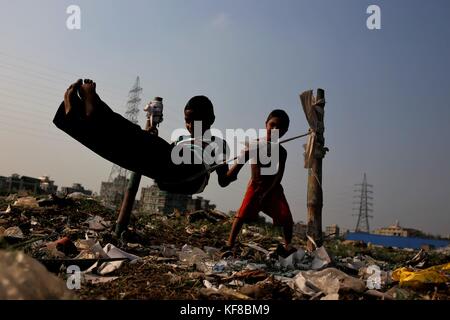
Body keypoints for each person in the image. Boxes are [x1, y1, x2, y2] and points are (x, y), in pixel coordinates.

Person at [53, 79, 235, 194]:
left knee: (147, 145)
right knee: (122, 150)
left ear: (211, 119)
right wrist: (150, 124)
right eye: (188, 121)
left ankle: (96, 110)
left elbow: (224, 180)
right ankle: (75, 120)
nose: (190, 126)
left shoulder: (217, 143)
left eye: (197, 121)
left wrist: (243, 158)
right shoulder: (181, 139)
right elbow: (147, 142)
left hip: (191, 176)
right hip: (169, 174)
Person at [224, 109, 295, 256]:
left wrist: (269, 192)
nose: (275, 130)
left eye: (279, 128)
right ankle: (230, 243)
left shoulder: (282, 152)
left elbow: (279, 175)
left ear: (285, 131)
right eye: (272, 125)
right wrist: (228, 172)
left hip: (273, 188)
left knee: (286, 217)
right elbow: (237, 166)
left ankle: (288, 245)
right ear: (266, 125)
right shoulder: (254, 145)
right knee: (241, 214)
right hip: (255, 187)